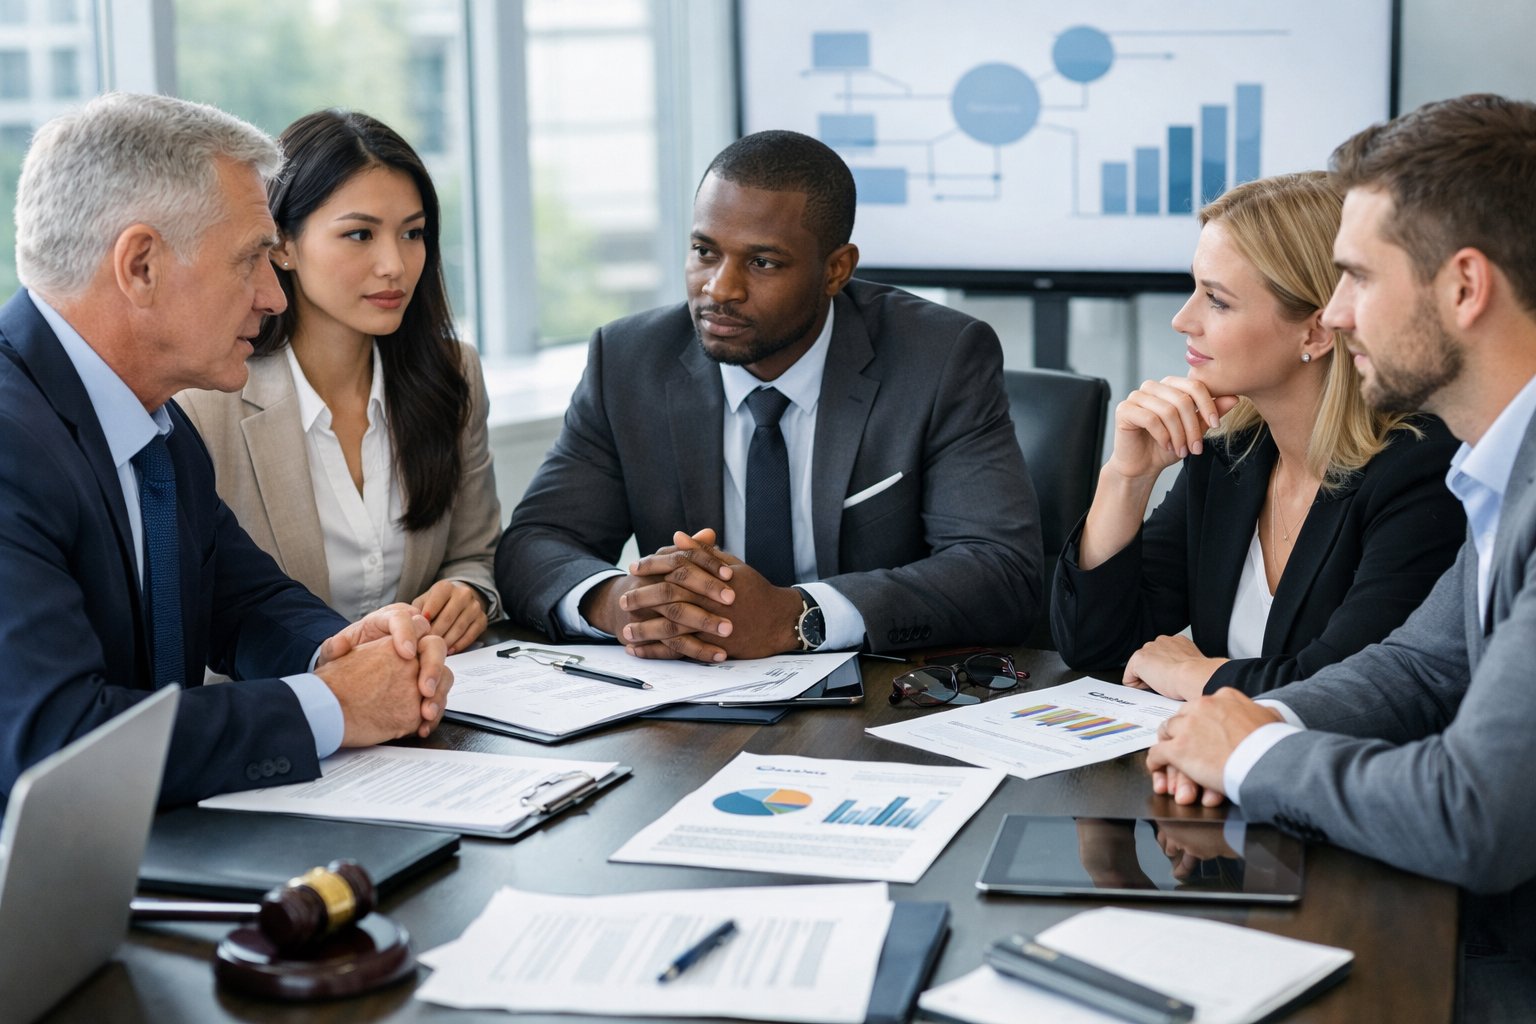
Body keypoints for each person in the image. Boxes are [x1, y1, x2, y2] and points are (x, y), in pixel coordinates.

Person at [1144, 94, 1536, 1017]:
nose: (1336, 313)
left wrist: (1251, 758)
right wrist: (1244, 718)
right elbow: (1419, 664)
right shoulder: (1500, 469)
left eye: (1357, 276)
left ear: (1464, 287)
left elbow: (1472, 814)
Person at [0, 93, 453, 807]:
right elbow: (57, 745)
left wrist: (352, 649)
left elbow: (242, 602)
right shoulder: (9, 445)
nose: (275, 296)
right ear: (141, 265)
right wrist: (333, 705)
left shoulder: (157, 429)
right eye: (251, 261)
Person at [497, 130, 1041, 661]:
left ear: (836, 270)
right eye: (704, 251)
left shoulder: (939, 358)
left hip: (881, 702)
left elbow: (998, 570)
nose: (720, 289)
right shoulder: (629, 361)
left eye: (762, 263)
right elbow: (535, 544)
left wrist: (794, 618)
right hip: (687, 703)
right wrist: (621, 604)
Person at [1051, 172, 1462, 699]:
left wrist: (1195, 673)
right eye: (1193, 289)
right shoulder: (1229, 451)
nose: (1182, 320)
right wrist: (1127, 476)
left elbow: (1349, 690)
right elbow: (1096, 646)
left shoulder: (1420, 470)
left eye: (1217, 300)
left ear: (1316, 330)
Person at [177, 110, 500, 655]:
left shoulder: (452, 373)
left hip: (435, 706)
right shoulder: (206, 401)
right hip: (288, 714)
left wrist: (469, 591)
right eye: (359, 234)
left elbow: (476, 551)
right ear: (282, 244)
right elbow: (208, 615)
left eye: (413, 233)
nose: (394, 264)